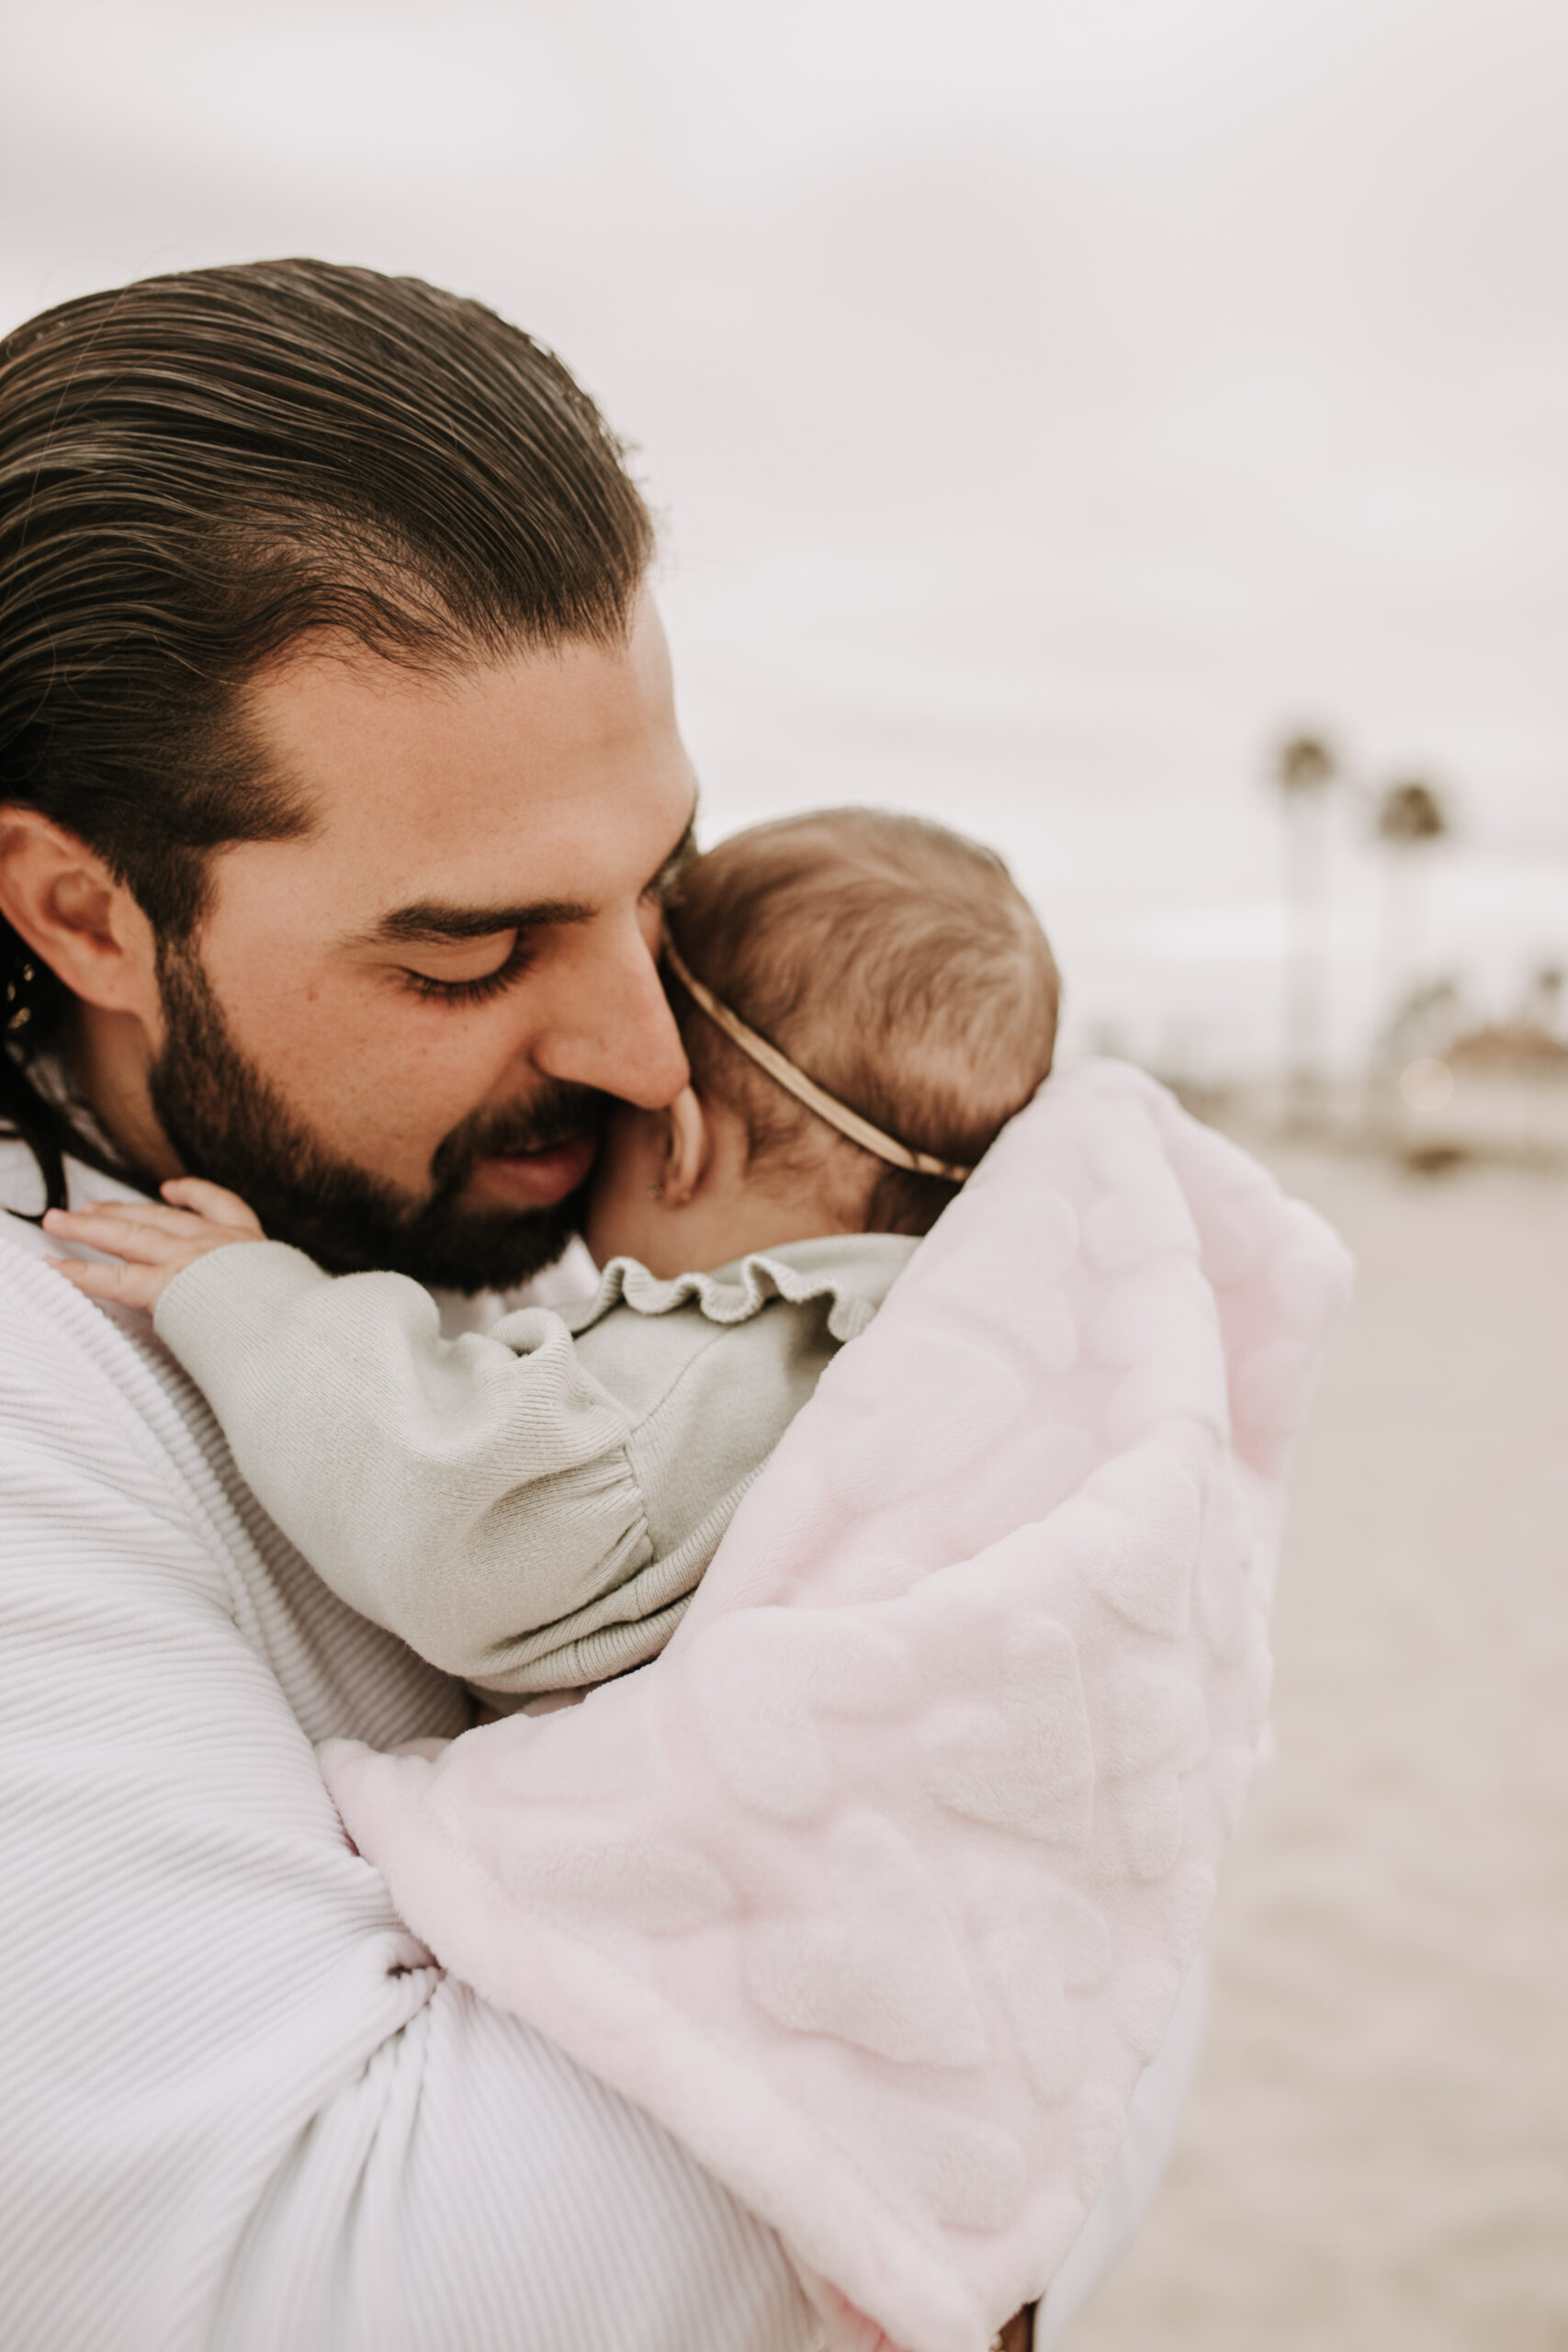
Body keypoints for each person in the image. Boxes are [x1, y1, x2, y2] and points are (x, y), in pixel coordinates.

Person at [0, 262, 1197, 2352]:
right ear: (85, 910)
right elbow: (352, 2284)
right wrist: (1052, 1795)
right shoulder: (40, 1389)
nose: (650, 1053)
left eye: (661, 885)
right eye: (468, 949)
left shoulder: (534, 1225)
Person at [41, 810, 1061, 1703]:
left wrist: (255, 1302)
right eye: (473, 955)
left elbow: (470, 1533)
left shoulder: (723, 1362)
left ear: (685, 1139)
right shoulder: (958, 1353)